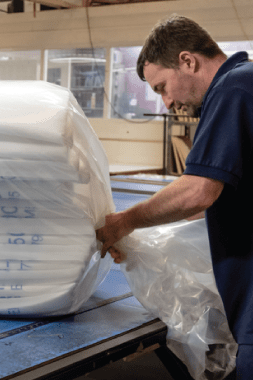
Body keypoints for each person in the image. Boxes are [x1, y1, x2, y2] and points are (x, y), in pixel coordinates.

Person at [96, 14, 253, 379]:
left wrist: (124, 222)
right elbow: (213, 207)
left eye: (162, 87)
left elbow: (198, 191)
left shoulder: (234, 89)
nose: (167, 102)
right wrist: (141, 243)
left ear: (187, 61)